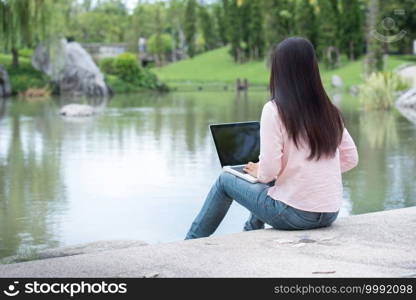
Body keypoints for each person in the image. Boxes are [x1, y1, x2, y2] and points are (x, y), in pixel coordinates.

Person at [185, 37, 358, 240]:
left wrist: (263, 170)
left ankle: (190, 242)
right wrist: (309, 173)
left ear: (280, 71)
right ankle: (251, 233)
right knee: (271, 184)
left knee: (225, 180)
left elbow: (268, 173)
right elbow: (351, 159)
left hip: (293, 215)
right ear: (313, 69)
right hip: (330, 213)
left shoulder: (274, 110)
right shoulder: (330, 111)